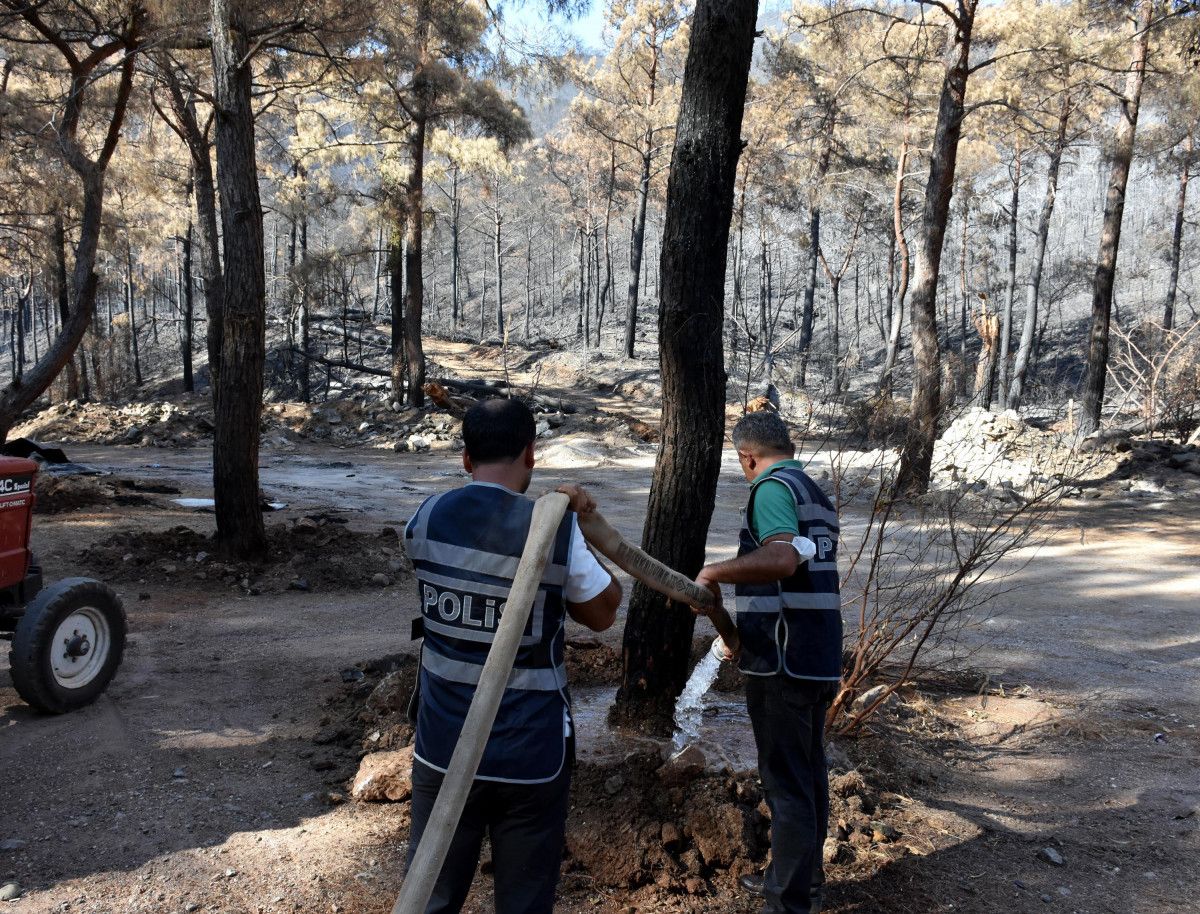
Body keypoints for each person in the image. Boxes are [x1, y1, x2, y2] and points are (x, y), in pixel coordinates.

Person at [403, 397, 622, 914]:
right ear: (531, 453)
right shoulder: (555, 531)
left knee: (430, 895)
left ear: (464, 458)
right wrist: (579, 529)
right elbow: (604, 613)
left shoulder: (425, 518)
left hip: (443, 745)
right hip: (529, 756)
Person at [692, 411, 841, 914]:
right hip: (815, 657)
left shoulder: (772, 489)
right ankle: (801, 881)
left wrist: (714, 571)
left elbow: (781, 559)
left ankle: (787, 901)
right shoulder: (813, 492)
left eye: (743, 466)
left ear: (748, 458)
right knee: (808, 774)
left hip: (783, 661)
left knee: (787, 785)